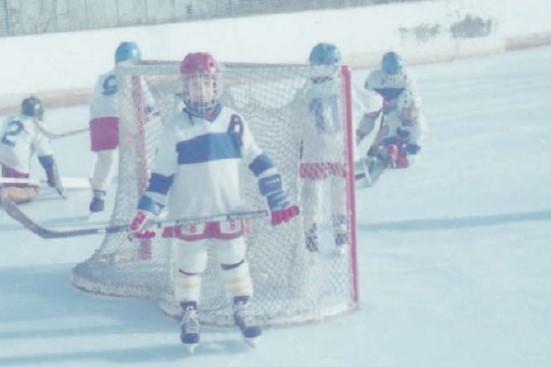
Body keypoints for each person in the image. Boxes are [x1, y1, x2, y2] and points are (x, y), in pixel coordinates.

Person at [128, 52, 299, 348]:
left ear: (216, 85)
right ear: (185, 88)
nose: (201, 90)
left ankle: (241, 308)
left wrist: (276, 196)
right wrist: (147, 211)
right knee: (191, 263)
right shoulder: (176, 127)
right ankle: (189, 312)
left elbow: (258, 159)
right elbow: (161, 177)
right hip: (190, 211)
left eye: (206, 83)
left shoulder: (233, 121)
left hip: (228, 209)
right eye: (195, 84)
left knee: (234, 259)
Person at [298, 42, 381, 253]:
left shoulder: (306, 91)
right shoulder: (345, 86)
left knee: (313, 193)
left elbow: (294, 120)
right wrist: (379, 98)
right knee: (339, 192)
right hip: (341, 151)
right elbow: (373, 103)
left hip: (315, 152)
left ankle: (311, 231)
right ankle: (339, 231)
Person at [87, 41, 144, 214]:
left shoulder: (102, 77)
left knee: (106, 159)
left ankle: (99, 194)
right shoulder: (135, 75)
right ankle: (140, 189)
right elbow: (145, 99)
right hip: (120, 119)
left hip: (97, 120)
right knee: (136, 153)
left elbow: (97, 100)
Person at [0, 96, 60, 208]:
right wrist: (52, 177)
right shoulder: (39, 126)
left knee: (11, 178)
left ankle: (7, 187)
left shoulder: (12, 118)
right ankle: (3, 193)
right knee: (31, 191)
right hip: (16, 158)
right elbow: (45, 157)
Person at [361, 90, 428, 186]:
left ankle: (392, 157)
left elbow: (415, 148)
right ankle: (380, 158)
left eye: (414, 111)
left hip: (409, 151)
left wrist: (405, 152)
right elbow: (386, 136)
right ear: (401, 109)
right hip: (392, 144)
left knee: (405, 159)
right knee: (390, 148)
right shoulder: (394, 118)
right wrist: (376, 147)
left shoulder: (419, 125)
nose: (410, 114)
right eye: (407, 111)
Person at [356, 51, 418, 152]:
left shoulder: (407, 78)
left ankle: (397, 144)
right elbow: (367, 97)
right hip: (378, 102)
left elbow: (411, 97)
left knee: (399, 120)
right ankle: (354, 144)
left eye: (395, 70)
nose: (393, 74)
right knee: (368, 120)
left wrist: (397, 105)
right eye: (390, 71)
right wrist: (379, 103)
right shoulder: (374, 78)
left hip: (399, 105)